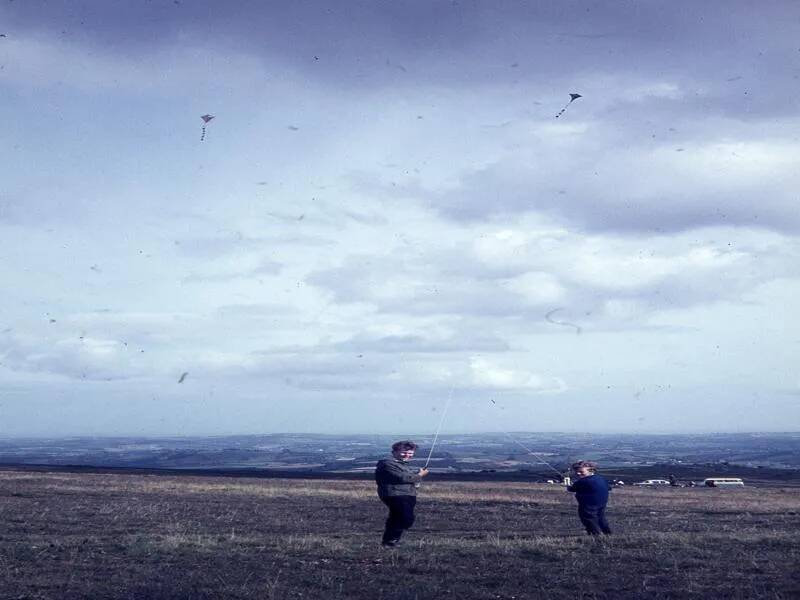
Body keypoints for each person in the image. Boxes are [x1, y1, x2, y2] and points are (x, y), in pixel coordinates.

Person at [375, 440, 429, 547]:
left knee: (397, 517)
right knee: (405, 518)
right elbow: (404, 478)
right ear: (394, 451)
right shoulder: (387, 463)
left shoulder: (402, 464)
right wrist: (420, 475)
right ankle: (391, 540)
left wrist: (417, 477)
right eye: (404, 452)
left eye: (410, 453)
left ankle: (389, 542)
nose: (407, 455)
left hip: (407, 494)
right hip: (394, 494)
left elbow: (410, 479)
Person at [567, 460, 612, 536]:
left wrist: (569, 486)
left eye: (581, 472)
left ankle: (595, 534)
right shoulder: (600, 478)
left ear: (591, 470)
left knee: (588, 518)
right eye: (576, 471)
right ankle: (607, 532)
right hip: (602, 502)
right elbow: (609, 488)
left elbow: (571, 489)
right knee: (600, 517)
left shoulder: (583, 481)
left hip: (588, 503)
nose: (578, 473)